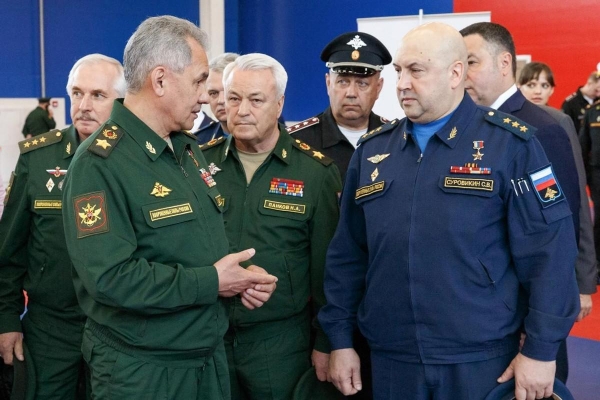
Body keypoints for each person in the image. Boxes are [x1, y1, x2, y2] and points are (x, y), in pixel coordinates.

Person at [319, 22, 580, 400]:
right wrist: (340, 339)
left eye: (416, 70)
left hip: (481, 359)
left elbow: (549, 253)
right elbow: (348, 256)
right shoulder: (374, 151)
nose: (402, 84)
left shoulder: (510, 145)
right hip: (393, 359)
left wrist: (541, 349)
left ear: (456, 73)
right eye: (399, 71)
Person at [61, 16, 277, 400]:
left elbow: (193, 242)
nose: (206, 97)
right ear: (160, 80)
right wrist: (213, 281)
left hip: (205, 357)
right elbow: (110, 278)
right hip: (143, 371)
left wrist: (238, 276)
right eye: (198, 81)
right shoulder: (100, 164)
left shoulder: (185, 148)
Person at [201, 53, 342, 400]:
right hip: (207, 335)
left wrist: (328, 342)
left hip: (279, 344)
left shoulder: (314, 173)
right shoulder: (198, 163)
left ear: (278, 105)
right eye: (234, 98)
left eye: (256, 100)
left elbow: (328, 271)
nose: (242, 110)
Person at [460, 22, 592, 383]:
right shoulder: (466, 126)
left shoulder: (541, 128)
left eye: (471, 62)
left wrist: (539, 331)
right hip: (483, 316)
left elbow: (559, 232)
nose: (461, 74)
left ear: (504, 63)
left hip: (525, 318)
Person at [0, 53, 126, 399]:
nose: (84, 105)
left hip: (118, 329)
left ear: (122, 101)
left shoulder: (138, 160)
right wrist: (6, 320)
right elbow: (9, 250)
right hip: (49, 330)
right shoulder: (38, 157)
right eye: (77, 93)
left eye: (98, 95)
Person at [289, 31, 391, 182]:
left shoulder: (395, 140)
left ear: (378, 88)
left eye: (362, 83)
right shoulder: (296, 141)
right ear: (328, 83)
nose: (351, 93)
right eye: (343, 82)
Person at [195, 53, 239, 145]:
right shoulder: (197, 143)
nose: (221, 101)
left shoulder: (266, 140)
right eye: (213, 93)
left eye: (228, 92)